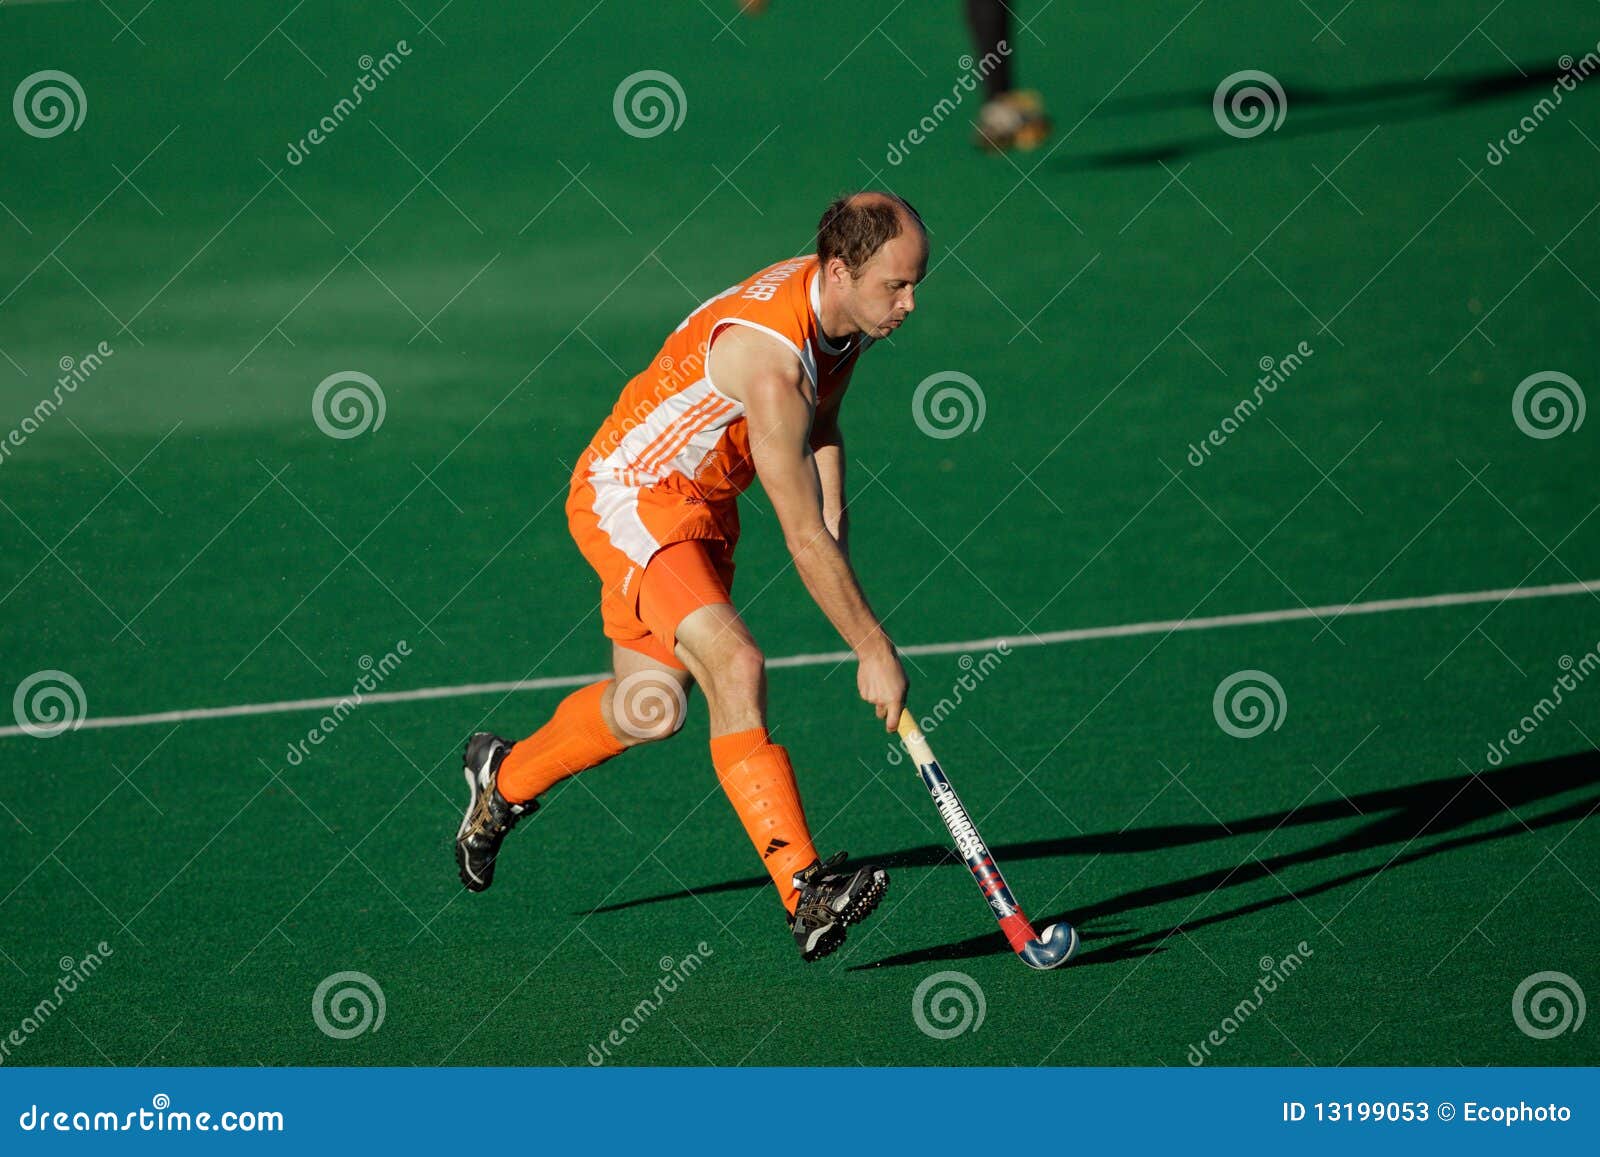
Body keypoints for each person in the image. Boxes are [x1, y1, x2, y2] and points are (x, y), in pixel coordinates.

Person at [455, 192, 927, 962]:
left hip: (704, 503)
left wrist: (837, 529)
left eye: (914, 284)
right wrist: (871, 648)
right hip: (634, 493)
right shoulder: (772, 363)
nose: (909, 304)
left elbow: (822, 426)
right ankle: (804, 890)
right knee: (735, 664)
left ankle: (502, 778)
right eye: (896, 286)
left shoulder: (840, 314)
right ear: (841, 270)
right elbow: (801, 537)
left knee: (650, 708)